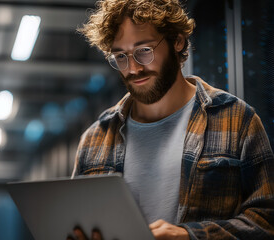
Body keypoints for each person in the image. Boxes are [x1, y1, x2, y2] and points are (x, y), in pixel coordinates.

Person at [68, 0, 274, 239]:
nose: (133, 68)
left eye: (144, 50)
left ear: (177, 40)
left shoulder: (237, 120)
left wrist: (188, 236)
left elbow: (267, 222)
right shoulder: (95, 138)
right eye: (121, 56)